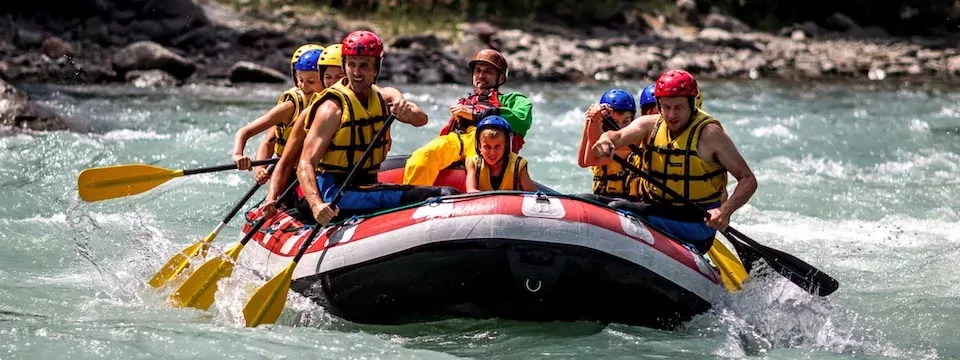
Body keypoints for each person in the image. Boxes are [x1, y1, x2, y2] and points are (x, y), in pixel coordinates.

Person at [298, 30, 459, 225]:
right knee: (444, 193)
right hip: (336, 194)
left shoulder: (383, 98)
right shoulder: (332, 110)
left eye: (364, 65)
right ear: (344, 66)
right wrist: (316, 205)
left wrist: (407, 112)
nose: (357, 73)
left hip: (366, 185)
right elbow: (306, 163)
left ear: (376, 68)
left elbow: (421, 119)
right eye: (351, 65)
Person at [591, 70, 757, 254]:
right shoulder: (649, 125)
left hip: (695, 222)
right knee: (589, 201)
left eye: (678, 107)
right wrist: (605, 140)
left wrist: (725, 210)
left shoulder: (710, 135)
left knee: (618, 209)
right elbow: (617, 135)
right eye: (666, 107)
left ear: (692, 104)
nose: (671, 115)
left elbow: (748, 180)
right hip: (657, 209)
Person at [402, 49, 533, 187]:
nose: (481, 75)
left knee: (479, 163)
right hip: (457, 140)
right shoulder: (464, 102)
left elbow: (521, 119)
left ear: (500, 78)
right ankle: (412, 198)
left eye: (488, 71)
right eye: (478, 71)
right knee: (423, 155)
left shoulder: (512, 100)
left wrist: (475, 114)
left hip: (487, 143)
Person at [258, 44, 346, 218]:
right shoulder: (296, 109)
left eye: (311, 81)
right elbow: (274, 149)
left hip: (337, 178)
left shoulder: (355, 103)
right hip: (297, 178)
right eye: (328, 77)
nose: (303, 85)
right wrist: (261, 170)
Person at [231, 46, 324, 184]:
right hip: (289, 174)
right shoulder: (290, 106)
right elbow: (262, 140)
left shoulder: (334, 105)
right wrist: (256, 168)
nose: (303, 86)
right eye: (300, 79)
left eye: (311, 82)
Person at [576, 89, 642, 204]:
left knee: (613, 204)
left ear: (633, 119)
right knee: (581, 197)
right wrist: (590, 120)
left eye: (626, 121)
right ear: (605, 121)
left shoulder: (634, 141)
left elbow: (591, 159)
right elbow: (582, 162)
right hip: (604, 199)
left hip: (629, 203)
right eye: (615, 121)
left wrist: (594, 122)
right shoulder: (599, 135)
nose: (620, 127)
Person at [465, 116, 537, 193]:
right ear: (479, 146)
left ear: (506, 146)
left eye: (497, 147)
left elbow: (532, 195)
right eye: (487, 147)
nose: (492, 152)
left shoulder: (518, 165)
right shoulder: (473, 163)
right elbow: (471, 190)